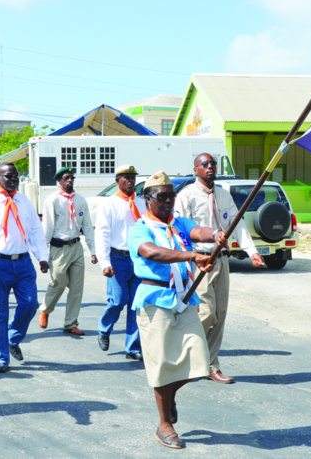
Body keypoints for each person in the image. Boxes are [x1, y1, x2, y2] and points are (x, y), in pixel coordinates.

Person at [129, 171, 218, 449]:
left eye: (172, 196)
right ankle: (163, 424)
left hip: (184, 298)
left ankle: (169, 397)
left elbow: (198, 232)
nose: (169, 201)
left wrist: (216, 234)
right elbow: (152, 252)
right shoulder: (139, 228)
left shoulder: (179, 223)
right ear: (148, 199)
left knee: (199, 360)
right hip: (155, 300)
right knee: (162, 366)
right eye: (162, 196)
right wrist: (192, 255)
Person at [175, 153, 264, 384]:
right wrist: (187, 260)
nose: (210, 167)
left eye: (213, 163)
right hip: (201, 260)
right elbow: (179, 230)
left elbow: (237, 223)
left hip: (222, 260)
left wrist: (251, 251)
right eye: (204, 164)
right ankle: (189, 354)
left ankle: (211, 365)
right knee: (206, 313)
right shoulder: (186, 196)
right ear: (196, 169)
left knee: (221, 314)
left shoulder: (224, 194)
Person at [0, 162, 49, 373]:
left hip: (22, 262)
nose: (13, 180)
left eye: (15, 177)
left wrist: (42, 257)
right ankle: (1, 357)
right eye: (8, 177)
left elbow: (35, 230)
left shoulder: (24, 201)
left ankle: (13, 338)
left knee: (30, 304)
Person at [37, 166, 97, 336]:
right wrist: (43, 255)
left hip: (76, 246)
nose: (70, 180)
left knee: (77, 288)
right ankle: (45, 310)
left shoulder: (80, 200)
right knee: (58, 282)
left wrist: (93, 251)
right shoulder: (52, 200)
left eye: (71, 177)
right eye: (66, 178)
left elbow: (87, 227)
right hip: (59, 248)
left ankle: (71, 323)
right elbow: (47, 228)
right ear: (59, 181)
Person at [95, 165, 145, 360]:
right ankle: (104, 328)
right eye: (126, 177)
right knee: (118, 300)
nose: (130, 180)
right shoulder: (109, 204)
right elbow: (102, 234)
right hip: (117, 258)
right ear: (118, 180)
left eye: (132, 177)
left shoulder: (140, 203)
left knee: (136, 304)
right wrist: (104, 262)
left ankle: (133, 347)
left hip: (137, 258)